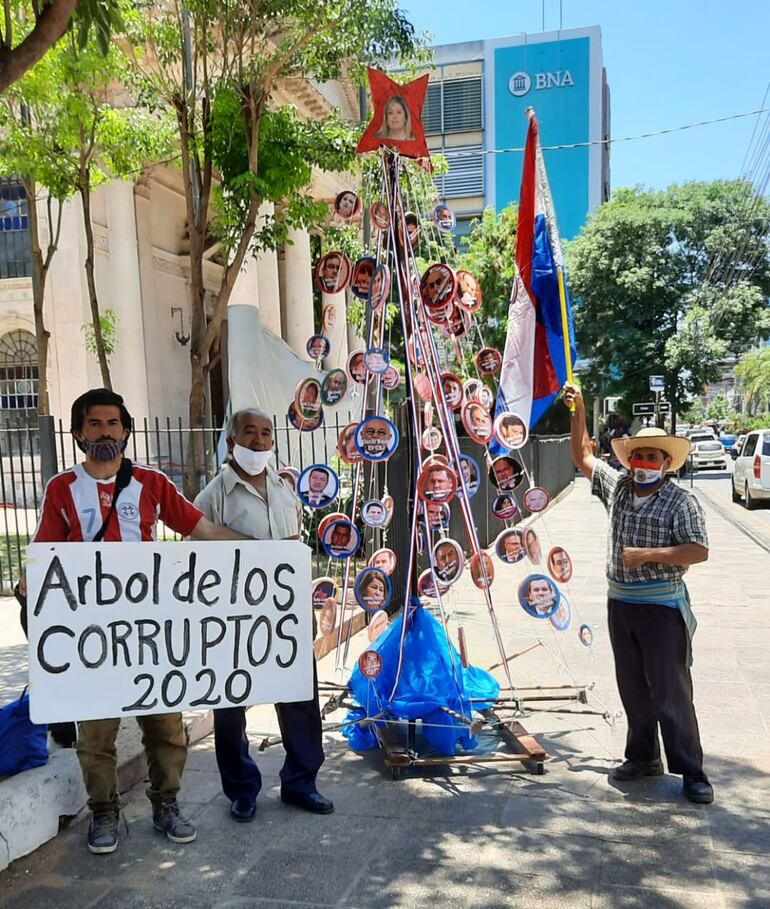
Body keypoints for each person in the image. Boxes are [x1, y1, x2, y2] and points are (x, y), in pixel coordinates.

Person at [26, 388, 248, 854]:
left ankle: (166, 803)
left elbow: (201, 530)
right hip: (93, 636)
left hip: (149, 635)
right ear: (78, 433)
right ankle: (104, 812)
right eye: (94, 424)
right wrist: (31, 582)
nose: (104, 432)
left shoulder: (151, 483)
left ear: (126, 431)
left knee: (166, 725)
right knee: (96, 732)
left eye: (112, 423)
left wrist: (268, 555)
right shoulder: (61, 489)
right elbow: (45, 555)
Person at [563, 382, 713, 805]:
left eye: (652, 457)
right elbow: (583, 457)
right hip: (621, 603)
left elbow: (698, 550)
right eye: (638, 456)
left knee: (671, 689)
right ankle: (643, 756)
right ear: (629, 461)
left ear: (666, 463)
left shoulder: (680, 502)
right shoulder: (620, 488)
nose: (644, 462)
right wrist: (576, 413)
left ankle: (692, 770)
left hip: (661, 606)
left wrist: (649, 554)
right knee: (633, 686)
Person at [195, 408, 334, 820]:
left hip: (282, 616)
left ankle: (301, 782)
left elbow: (293, 554)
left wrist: (303, 608)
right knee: (231, 705)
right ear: (232, 440)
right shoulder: (213, 496)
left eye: (265, 433)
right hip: (233, 618)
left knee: (299, 699)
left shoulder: (284, 490)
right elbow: (197, 557)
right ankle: (241, 789)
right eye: (249, 433)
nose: (258, 441)